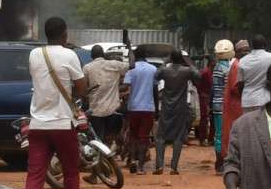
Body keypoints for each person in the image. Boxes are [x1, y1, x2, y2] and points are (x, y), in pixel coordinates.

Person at [25, 17, 88, 189]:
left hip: (37, 124)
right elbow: (82, 87)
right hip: (62, 124)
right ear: (65, 34)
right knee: (70, 172)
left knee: (35, 174)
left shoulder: (34, 54)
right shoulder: (69, 55)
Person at [154, 52, 202, 175]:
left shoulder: (165, 70)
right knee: (178, 137)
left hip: (166, 107)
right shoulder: (186, 71)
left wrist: (165, 62)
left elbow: (156, 75)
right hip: (180, 108)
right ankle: (174, 168)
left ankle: (159, 166)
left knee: (160, 137)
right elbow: (198, 76)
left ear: (171, 58)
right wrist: (189, 62)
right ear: (181, 59)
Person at [83, 45, 128, 155]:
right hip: (113, 110)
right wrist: (129, 48)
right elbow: (130, 65)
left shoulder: (87, 68)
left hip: (96, 110)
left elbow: (83, 88)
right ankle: (109, 160)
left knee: (97, 139)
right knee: (109, 139)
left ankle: (100, 164)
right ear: (103, 54)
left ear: (92, 56)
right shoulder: (114, 65)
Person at [123, 47, 158, 175]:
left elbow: (126, 87)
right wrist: (157, 109)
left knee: (133, 135)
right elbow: (154, 90)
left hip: (133, 107)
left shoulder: (131, 70)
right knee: (144, 138)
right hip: (148, 108)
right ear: (146, 55)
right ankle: (141, 167)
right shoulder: (153, 69)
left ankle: (132, 159)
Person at [218, 40, 251, 171]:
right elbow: (235, 89)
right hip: (235, 106)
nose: (247, 53)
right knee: (235, 135)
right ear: (237, 53)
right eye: (244, 50)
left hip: (234, 106)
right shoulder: (237, 65)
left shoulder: (238, 64)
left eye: (248, 50)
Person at [209, 40, 237, 165]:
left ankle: (220, 160)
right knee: (225, 133)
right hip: (225, 105)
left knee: (220, 133)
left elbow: (214, 89)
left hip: (218, 104)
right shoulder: (229, 67)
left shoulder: (218, 67)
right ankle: (220, 161)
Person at [238, 35, 271, 111]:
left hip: (247, 100)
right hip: (263, 99)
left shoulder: (242, 61)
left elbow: (240, 84)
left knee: (248, 122)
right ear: (265, 45)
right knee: (263, 122)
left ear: (251, 46)